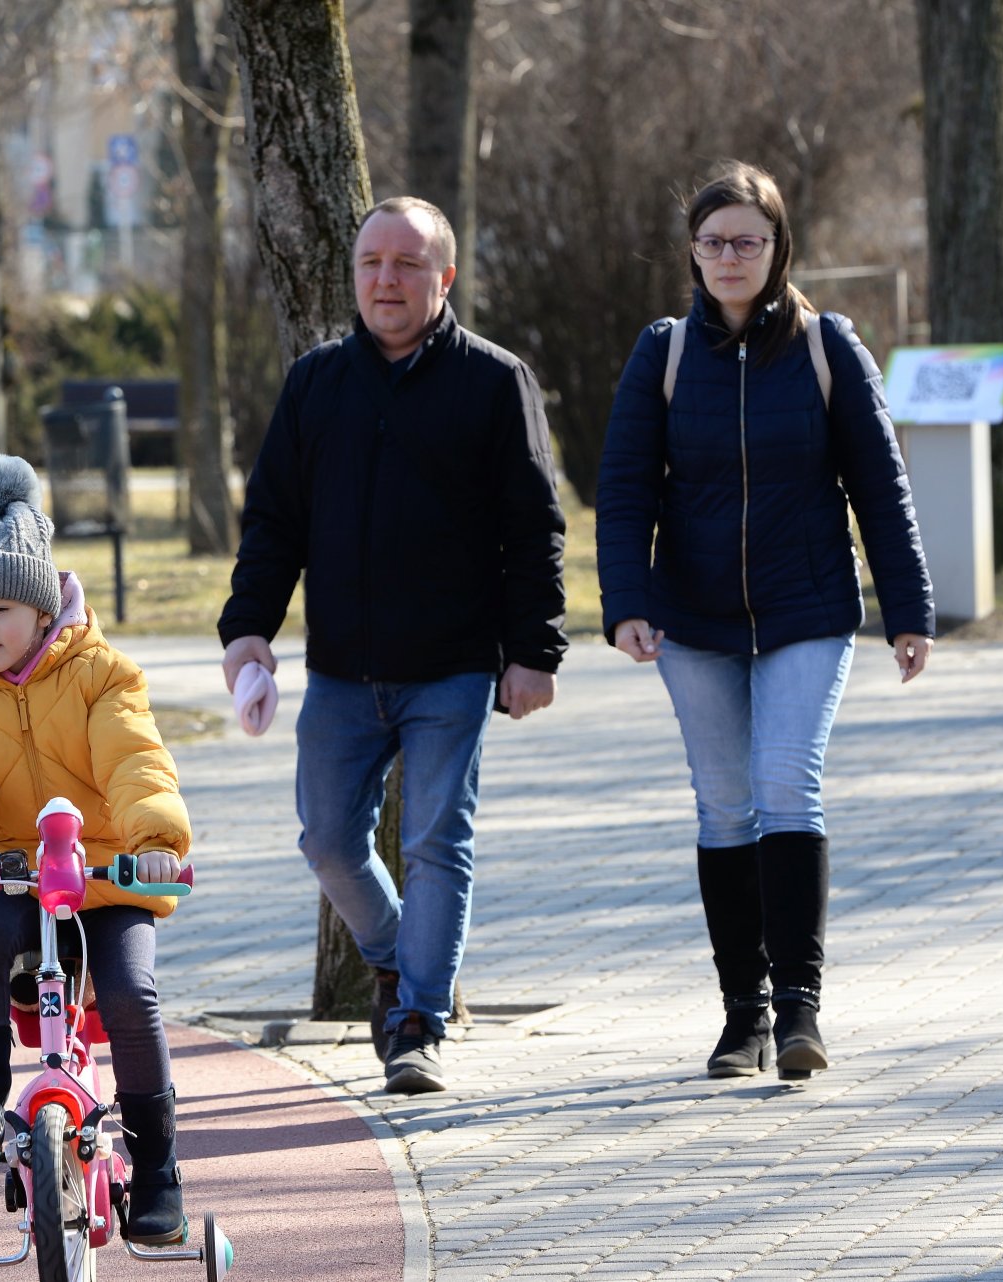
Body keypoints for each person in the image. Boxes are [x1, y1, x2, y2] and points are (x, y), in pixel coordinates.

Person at [218, 196, 567, 1096]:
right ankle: (392, 956)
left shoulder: (495, 382)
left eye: (408, 264)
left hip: (452, 669)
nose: (386, 279)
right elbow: (274, 523)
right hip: (340, 673)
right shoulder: (316, 384)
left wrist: (536, 651)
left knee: (437, 840)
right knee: (329, 840)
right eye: (373, 262)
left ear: (443, 278)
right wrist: (248, 627)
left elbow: (536, 530)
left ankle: (417, 1019)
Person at [594, 161, 934, 1083]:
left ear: (780, 248)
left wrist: (910, 610)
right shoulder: (661, 352)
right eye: (714, 242)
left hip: (808, 608)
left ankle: (799, 1012)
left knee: (787, 784)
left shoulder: (829, 348)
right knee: (724, 803)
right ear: (692, 254)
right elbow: (624, 490)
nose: (731, 257)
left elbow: (881, 487)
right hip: (692, 617)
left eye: (749, 240)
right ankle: (740, 1014)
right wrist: (623, 602)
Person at [0, 453, 194, 1244]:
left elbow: (134, 760)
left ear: (40, 603)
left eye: (0, 607)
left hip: (106, 879)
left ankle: (159, 1170)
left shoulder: (100, 674)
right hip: (18, 882)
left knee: (131, 992)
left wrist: (155, 840)